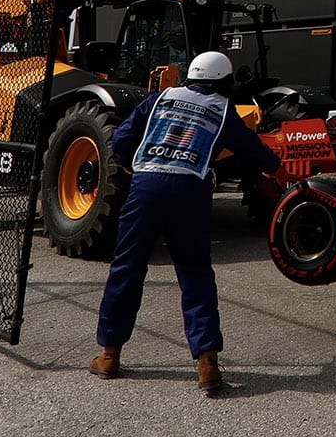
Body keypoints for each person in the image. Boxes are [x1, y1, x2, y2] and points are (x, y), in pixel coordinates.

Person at [90, 50, 281, 394]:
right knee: (194, 273)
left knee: (127, 268)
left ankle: (109, 355)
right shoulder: (224, 110)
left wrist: (135, 164)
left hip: (145, 187)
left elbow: (120, 140)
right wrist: (277, 169)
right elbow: (254, 151)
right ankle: (207, 364)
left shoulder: (159, 98)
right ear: (223, 82)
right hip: (189, 190)